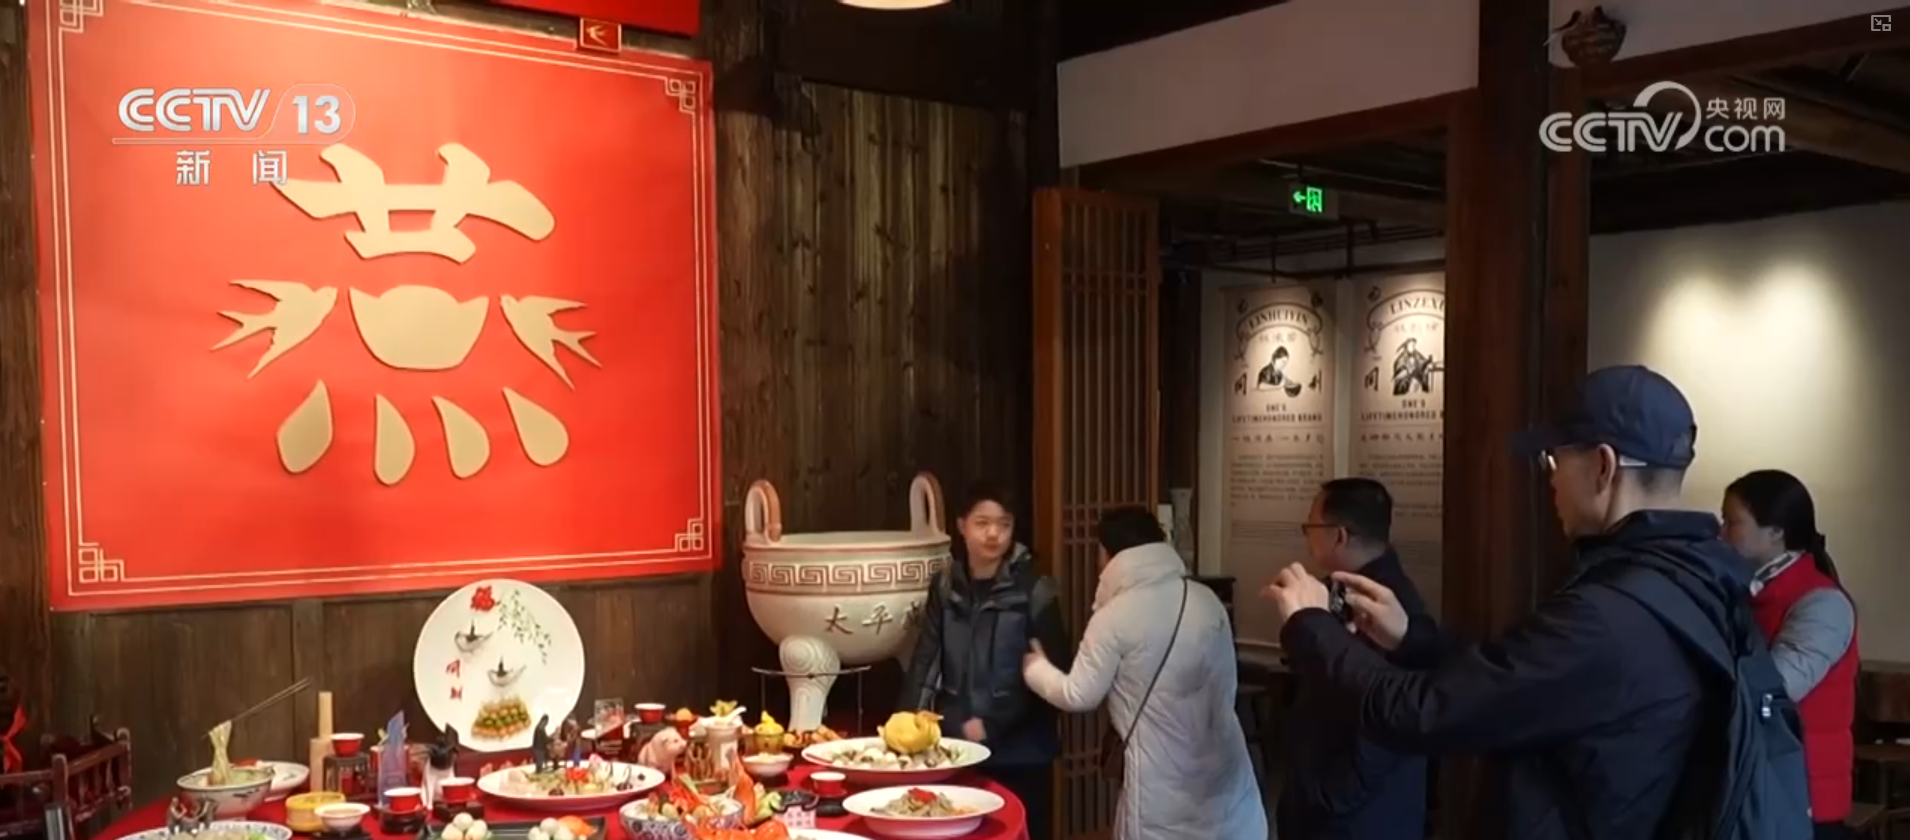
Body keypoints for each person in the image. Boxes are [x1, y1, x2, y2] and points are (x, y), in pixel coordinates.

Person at [1262, 365, 1810, 840]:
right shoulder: (1695, 582)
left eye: (1554, 459)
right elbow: (1520, 677)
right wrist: (1412, 638)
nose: (1549, 481)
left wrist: (1311, 623)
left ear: (1603, 466)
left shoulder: (1608, 615)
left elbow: (1419, 713)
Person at [1020, 507, 1265, 840]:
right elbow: (1227, 681)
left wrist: (1035, 669)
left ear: (1106, 553)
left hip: (1160, 786)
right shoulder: (1206, 599)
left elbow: (1079, 695)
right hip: (1225, 772)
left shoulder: (1114, 617)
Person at [899, 482, 1070, 840]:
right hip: (959, 743)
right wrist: (905, 723)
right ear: (961, 526)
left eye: (1004, 524)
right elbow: (927, 660)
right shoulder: (946, 584)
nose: (994, 534)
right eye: (982, 523)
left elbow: (1053, 674)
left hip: (1021, 750)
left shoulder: (1034, 588)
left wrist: (992, 724)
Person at [1275, 478, 1437, 840]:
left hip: (1358, 818)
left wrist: (1323, 798)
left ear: (1339, 536)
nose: (1307, 536)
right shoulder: (1349, 589)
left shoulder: (1383, 608)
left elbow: (1383, 723)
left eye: (1310, 525)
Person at [1723, 469, 1858, 840]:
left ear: (1775, 531)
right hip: (1765, 784)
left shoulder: (1822, 604)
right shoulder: (1749, 594)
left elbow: (1776, 686)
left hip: (1805, 794)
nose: (1722, 534)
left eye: (1732, 522)